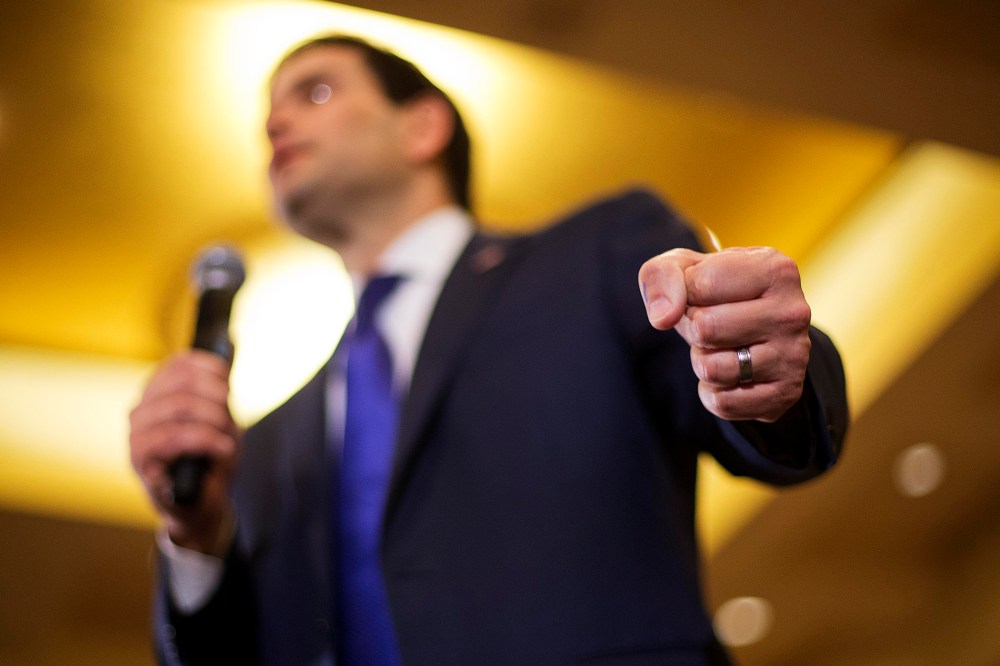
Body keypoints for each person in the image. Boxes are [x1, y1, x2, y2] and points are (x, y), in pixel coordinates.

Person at [129, 35, 848, 665]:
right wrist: (194, 537)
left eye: (314, 92)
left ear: (423, 126)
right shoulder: (256, 448)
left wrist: (763, 367)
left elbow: (746, 396)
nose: (276, 123)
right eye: (267, 114)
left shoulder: (597, 256)